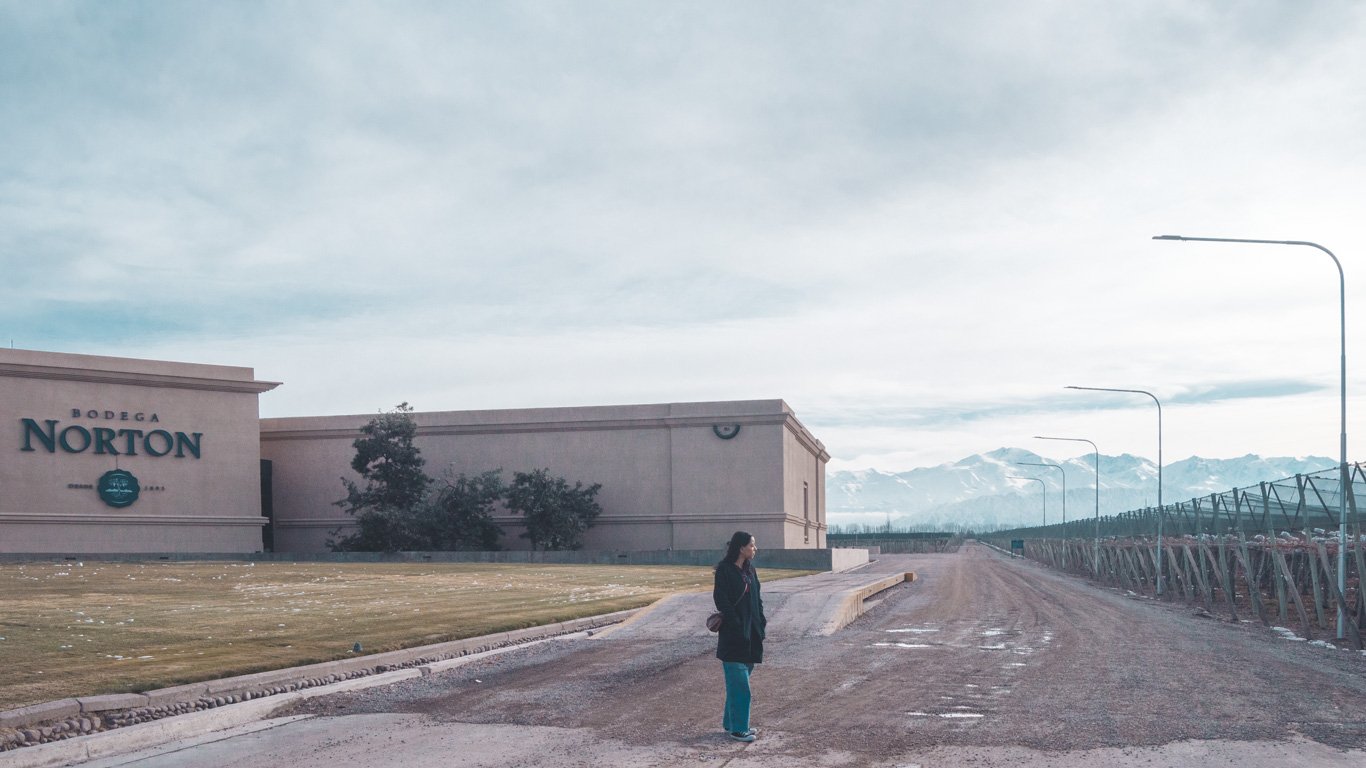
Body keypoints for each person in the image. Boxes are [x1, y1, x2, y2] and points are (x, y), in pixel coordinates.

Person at [713, 530, 766, 743]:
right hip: (733, 636)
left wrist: (761, 622)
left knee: (738, 684)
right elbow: (721, 599)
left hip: (752, 635)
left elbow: (758, 599)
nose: (755, 548)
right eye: (752, 545)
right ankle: (739, 730)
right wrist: (735, 623)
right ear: (741, 547)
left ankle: (731, 723)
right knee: (741, 686)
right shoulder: (725, 571)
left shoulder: (750, 571)